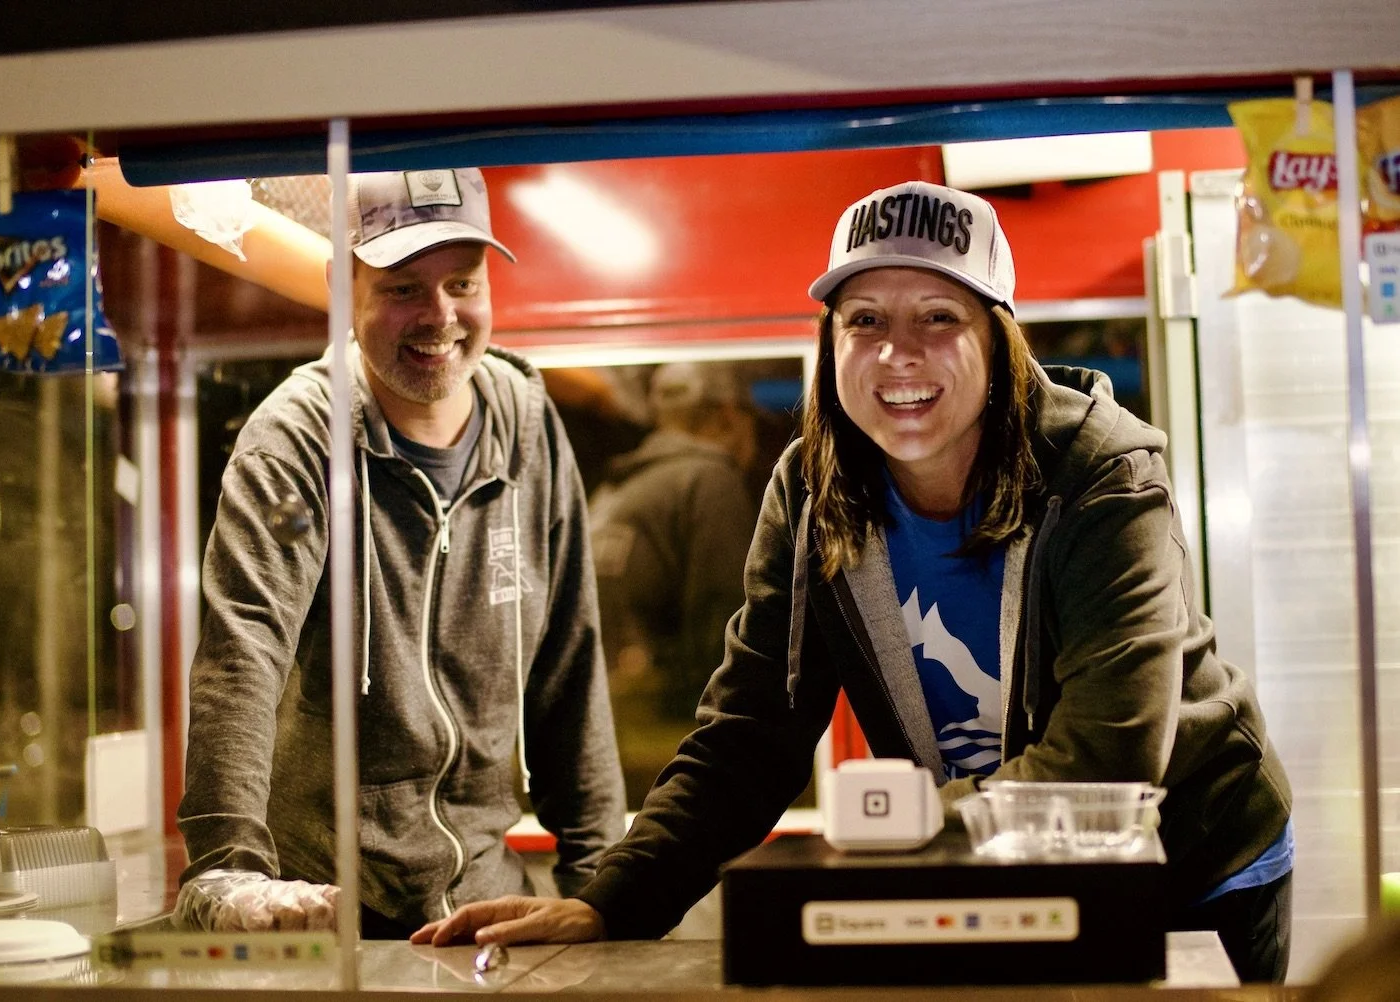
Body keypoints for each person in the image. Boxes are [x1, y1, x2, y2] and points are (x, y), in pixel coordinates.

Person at [412, 180, 1295, 982]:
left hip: (1194, 859)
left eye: (939, 318)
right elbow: (752, 735)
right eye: (865, 319)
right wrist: (611, 902)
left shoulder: (1100, 473)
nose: (898, 354)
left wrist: (892, 827)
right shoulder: (811, 491)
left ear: (999, 340)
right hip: (985, 856)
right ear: (831, 342)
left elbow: (1107, 756)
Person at [175, 168, 625, 938]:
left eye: (462, 283)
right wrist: (229, 869)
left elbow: (569, 664)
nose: (440, 316)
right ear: (341, 288)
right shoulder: (295, 443)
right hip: (329, 908)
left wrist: (604, 886)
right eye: (403, 288)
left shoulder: (526, 424)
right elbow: (243, 653)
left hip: (483, 904)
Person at [587, 361, 759, 802]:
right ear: (730, 417)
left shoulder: (614, 491)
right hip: (671, 746)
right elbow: (728, 628)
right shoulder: (710, 479)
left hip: (608, 741)